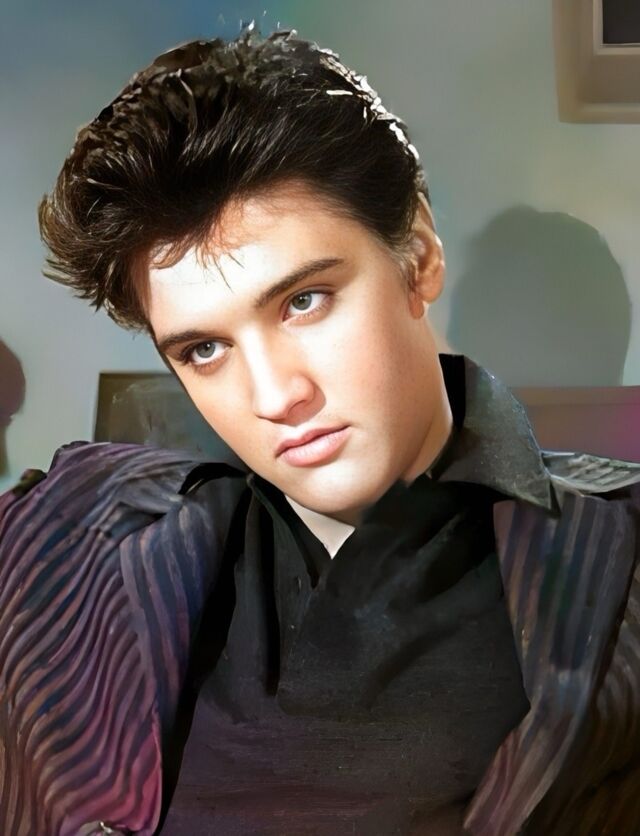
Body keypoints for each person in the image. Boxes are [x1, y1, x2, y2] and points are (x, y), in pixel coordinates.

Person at [1, 27, 640, 836]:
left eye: (303, 302)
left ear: (418, 254)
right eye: (205, 350)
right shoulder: (57, 541)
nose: (277, 396)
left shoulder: (614, 555)